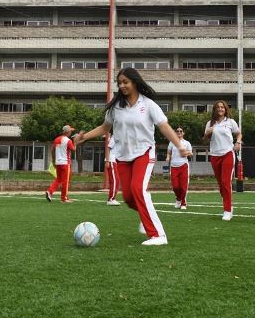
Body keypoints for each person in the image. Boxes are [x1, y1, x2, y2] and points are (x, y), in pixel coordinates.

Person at [75, 68, 189, 246]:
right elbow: (105, 128)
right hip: (122, 155)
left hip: (144, 153)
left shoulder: (148, 104)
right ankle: (146, 213)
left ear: (135, 82)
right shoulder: (116, 107)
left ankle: (158, 235)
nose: (122, 85)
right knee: (129, 198)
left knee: (138, 189)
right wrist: (84, 137)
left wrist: (179, 145)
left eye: (125, 82)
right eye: (119, 83)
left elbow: (164, 126)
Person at [204, 100, 242, 221]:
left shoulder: (230, 122)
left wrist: (238, 142)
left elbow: (239, 134)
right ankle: (228, 202)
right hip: (214, 155)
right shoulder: (210, 123)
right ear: (215, 109)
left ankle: (227, 210)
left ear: (225, 109)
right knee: (221, 184)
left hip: (228, 153)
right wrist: (207, 133)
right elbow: (205, 140)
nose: (220, 109)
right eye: (218, 107)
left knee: (226, 182)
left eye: (222, 107)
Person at [45, 125, 75, 203]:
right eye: (70, 131)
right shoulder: (68, 141)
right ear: (68, 132)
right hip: (65, 163)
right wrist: (76, 141)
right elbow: (73, 149)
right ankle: (64, 198)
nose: (71, 133)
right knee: (66, 181)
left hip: (58, 162)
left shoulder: (57, 139)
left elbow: (52, 150)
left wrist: (53, 160)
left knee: (58, 179)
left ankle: (49, 192)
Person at [166, 127, 192, 210]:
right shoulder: (172, 142)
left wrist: (185, 154)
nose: (179, 132)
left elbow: (191, 153)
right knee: (175, 187)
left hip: (184, 165)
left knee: (183, 186)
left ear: (183, 133)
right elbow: (169, 152)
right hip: (173, 166)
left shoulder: (186, 143)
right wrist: (168, 157)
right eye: (177, 131)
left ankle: (183, 203)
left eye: (181, 131)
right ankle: (178, 199)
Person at [105, 134, 120, 205]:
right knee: (114, 181)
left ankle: (112, 198)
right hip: (111, 160)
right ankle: (111, 199)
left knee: (116, 181)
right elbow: (108, 148)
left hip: (114, 161)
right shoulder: (116, 136)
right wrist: (107, 160)